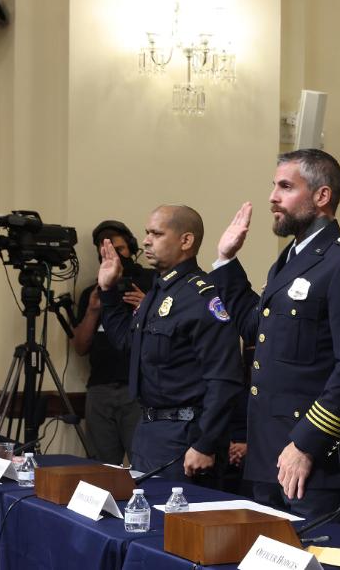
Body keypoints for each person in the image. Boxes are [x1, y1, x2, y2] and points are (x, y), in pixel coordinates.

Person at [211, 149, 340, 518]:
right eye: (274, 186)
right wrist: (225, 262)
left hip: (315, 461)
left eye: (286, 187)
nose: (273, 197)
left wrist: (306, 443)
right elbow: (255, 328)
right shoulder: (288, 261)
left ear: (321, 196)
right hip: (270, 456)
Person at [97, 205, 245, 481]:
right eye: (146, 233)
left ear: (185, 240)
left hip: (186, 436)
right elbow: (128, 344)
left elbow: (224, 378)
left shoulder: (201, 296)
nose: (146, 241)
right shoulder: (159, 292)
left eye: (156, 234)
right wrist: (108, 291)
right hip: (148, 430)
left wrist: (205, 443)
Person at [72, 220, 154, 465]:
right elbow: (80, 347)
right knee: (101, 467)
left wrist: (147, 305)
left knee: (144, 462)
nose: (116, 256)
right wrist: (93, 310)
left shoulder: (152, 282)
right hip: (100, 388)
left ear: (132, 248)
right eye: (107, 252)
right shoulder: (92, 292)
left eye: (120, 250)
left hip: (140, 389)